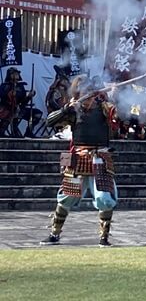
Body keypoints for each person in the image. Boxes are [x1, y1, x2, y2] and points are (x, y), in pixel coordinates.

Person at [40, 75, 118, 246]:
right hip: (78, 159)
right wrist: (66, 110)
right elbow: (49, 122)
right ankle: (54, 234)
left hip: (100, 158)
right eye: (83, 92)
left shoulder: (105, 108)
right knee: (66, 197)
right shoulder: (73, 110)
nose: (87, 97)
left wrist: (114, 94)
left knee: (104, 198)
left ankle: (104, 237)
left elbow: (117, 119)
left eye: (90, 92)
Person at [0, 67, 42, 137]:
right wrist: (9, 93)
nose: (16, 75)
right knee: (9, 116)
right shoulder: (4, 86)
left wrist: (29, 96)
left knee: (37, 114)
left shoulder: (21, 86)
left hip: (19, 109)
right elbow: (2, 96)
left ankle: (29, 132)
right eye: (14, 73)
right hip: (7, 110)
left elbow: (23, 102)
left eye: (17, 73)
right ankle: (8, 131)